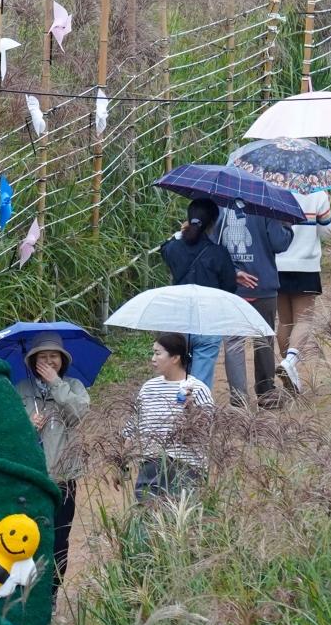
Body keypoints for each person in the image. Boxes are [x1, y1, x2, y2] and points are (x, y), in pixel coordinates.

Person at [14, 334, 89, 582]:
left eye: (53, 356)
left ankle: (52, 593)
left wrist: (56, 384)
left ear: (62, 360)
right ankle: (26, 590)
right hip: (29, 475)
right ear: (33, 360)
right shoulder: (21, 389)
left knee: (58, 536)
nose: (49, 361)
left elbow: (79, 416)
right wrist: (26, 425)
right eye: (43, 356)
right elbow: (7, 428)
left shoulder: (74, 386)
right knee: (26, 534)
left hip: (62, 476)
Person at [156, 197, 250, 391]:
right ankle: (198, 418)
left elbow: (164, 248)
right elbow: (229, 288)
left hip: (178, 323)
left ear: (188, 220)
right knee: (200, 384)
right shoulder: (218, 252)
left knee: (175, 379)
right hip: (208, 323)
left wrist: (180, 233)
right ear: (213, 224)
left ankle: (177, 416)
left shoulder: (173, 248)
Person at [217, 199, 292, 406]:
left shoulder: (220, 206)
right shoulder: (266, 207)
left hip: (230, 286)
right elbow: (279, 243)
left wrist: (233, 272)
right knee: (263, 339)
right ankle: (266, 393)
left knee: (233, 343)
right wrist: (286, 226)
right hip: (262, 284)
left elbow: (213, 246)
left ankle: (239, 399)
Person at [124, 333, 214, 502]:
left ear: (175, 358)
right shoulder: (148, 388)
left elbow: (207, 430)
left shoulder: (198, 389)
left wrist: (191, 408)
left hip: (185, 467)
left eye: (158, 353)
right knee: (146, 516)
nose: (153, 359)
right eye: (153, 353)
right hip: (150, 465)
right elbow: (132, 426)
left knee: (178, 523)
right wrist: (121, 462)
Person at [274, 186, 331, 395]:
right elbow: (328, 232)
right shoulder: (317, 194)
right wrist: (327, 204)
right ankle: (290, 362)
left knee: (284, 321)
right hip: (306, 266)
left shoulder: (272, 191)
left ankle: (288, 368)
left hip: (277, 264)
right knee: (303, 320)